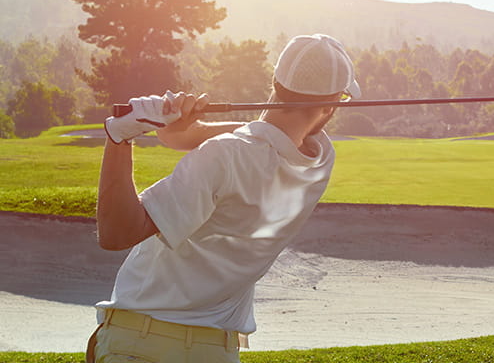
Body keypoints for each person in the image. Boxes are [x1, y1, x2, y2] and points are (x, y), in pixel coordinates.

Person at [87, 34, 361, 363]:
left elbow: (118, 232)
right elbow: (251, 137)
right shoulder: (319, 162)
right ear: (332, 105)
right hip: (216, 351)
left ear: (275, 80)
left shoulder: (224, 156)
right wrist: (182, 128)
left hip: (142, 344)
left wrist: (119, 136)